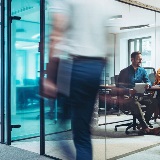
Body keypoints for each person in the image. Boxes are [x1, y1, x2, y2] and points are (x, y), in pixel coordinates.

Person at [43, 0, 112, 159]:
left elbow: (57, 33)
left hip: (73, 65)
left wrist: (50, 76)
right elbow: (107, 40)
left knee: (60, 128)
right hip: (96, 66)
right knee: (82, 132)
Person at [117, 51, 160, 135]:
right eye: (138, 59)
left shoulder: (143, 71)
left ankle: (142, 126)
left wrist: (148, 85)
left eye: (141, 59)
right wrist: (128, 90)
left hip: (140, 96)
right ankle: (147, 128)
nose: (140, 61)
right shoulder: (124, 71)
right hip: (127, 98)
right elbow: (119, 87)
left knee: (154, 101)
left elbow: (148, 81)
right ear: (132, 59)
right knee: (135, 103)